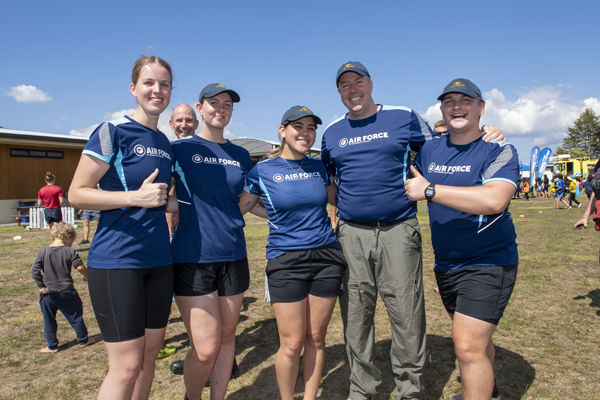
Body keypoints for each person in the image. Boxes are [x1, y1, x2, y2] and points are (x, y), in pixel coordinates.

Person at [321, 61, 505, 400]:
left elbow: (445, 145)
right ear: (339, 92)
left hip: (398, 230)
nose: (353, 89)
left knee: (406, 313)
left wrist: (486, 132)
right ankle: (361, 389)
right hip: (352, 234)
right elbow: (332, 181)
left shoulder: (403, 116)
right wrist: (345, 211)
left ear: (371, 84)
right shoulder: (331, 133)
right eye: (345, 85)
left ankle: (411, 390)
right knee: (356, 315)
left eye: (358, 82)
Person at [68, 55, 175, 400]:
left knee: (150, 354)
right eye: (149, 83)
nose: (156, 90)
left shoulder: (165, 142)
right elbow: (76, 195)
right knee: (126, 364)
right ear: (133, 88)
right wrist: (135, 197)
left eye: (164, 84)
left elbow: (162, 199)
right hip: (117, 261)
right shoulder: (112, 131)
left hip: (159, 261)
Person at [406, 78, 518, 400]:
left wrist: (431, 191)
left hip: (488, 261)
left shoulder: (499, 149)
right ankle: (490, 393)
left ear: (481, 108)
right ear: (442, 109)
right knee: (476, 342)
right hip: (447, 264)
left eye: (466, 100)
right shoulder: (429, 149)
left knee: (467, 347)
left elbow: (494, 200)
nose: (457, 106)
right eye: (449, 101)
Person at [239, 106, 346, 400]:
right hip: (285, 261)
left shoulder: (319, 166)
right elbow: (245, 206)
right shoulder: (262, 170)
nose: (305, 133)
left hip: (326, 259)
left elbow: (334, 194)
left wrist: (334, 220)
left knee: (316, 338)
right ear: (282, 130)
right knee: (291, 343)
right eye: (298, 126)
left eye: (311, 128)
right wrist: (272, 214)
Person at [169, 83, 256, 400]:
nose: (221, 108)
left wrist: (287, 213)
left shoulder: (241, 155)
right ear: (200, 108)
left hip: (233, 254)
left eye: (228, 104)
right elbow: (164, 194)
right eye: (214, 103)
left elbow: (247, 200)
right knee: (205, 348)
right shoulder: (178, 149)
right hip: (193, 255)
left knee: (228, 336)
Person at [31, 221, 96, 353]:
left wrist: (41, 286)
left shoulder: (43, 252)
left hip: (48, 294)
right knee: (75, 316)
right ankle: (83, 339)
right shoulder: (70, 252)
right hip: (67, 292)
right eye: (72, 240)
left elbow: (34, 270)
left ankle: (52, 345)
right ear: (67, 236)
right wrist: (87, 276)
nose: (72, 243)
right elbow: (80, 267)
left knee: (48, 319)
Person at [166, 104, 200, 239]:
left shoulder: (205, 151)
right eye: (179, 120)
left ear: (197, 124)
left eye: (189, 120)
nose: (184, 125)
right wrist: (170, 233)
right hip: (178, 229)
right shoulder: (169, 150)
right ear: (171, 124)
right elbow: (168, 191)